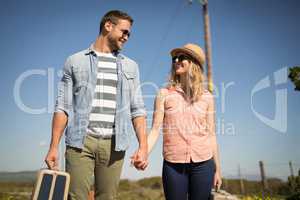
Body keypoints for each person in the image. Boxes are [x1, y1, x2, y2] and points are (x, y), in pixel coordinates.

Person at [45, 10, 148, 200]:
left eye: (129, 34)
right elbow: (63, 107)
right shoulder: (75, 61)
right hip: (79, 143)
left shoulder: (131, 66)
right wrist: (53, 146)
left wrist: (143, 146)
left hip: (115, 144)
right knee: (75, 197)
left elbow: (137, 108)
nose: (127, 37)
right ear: (108, 26)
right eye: (124, 31)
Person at [133, 43, 222, 199]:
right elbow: (155, 130)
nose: (176, 61)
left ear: (194, 63)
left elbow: (211, 135)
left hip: (203, 163)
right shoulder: (164, 94)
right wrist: (143, 152)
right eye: (175, 58)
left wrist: (217, 170)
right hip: (173, 164)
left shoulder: (207, 97)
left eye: (181, 57)